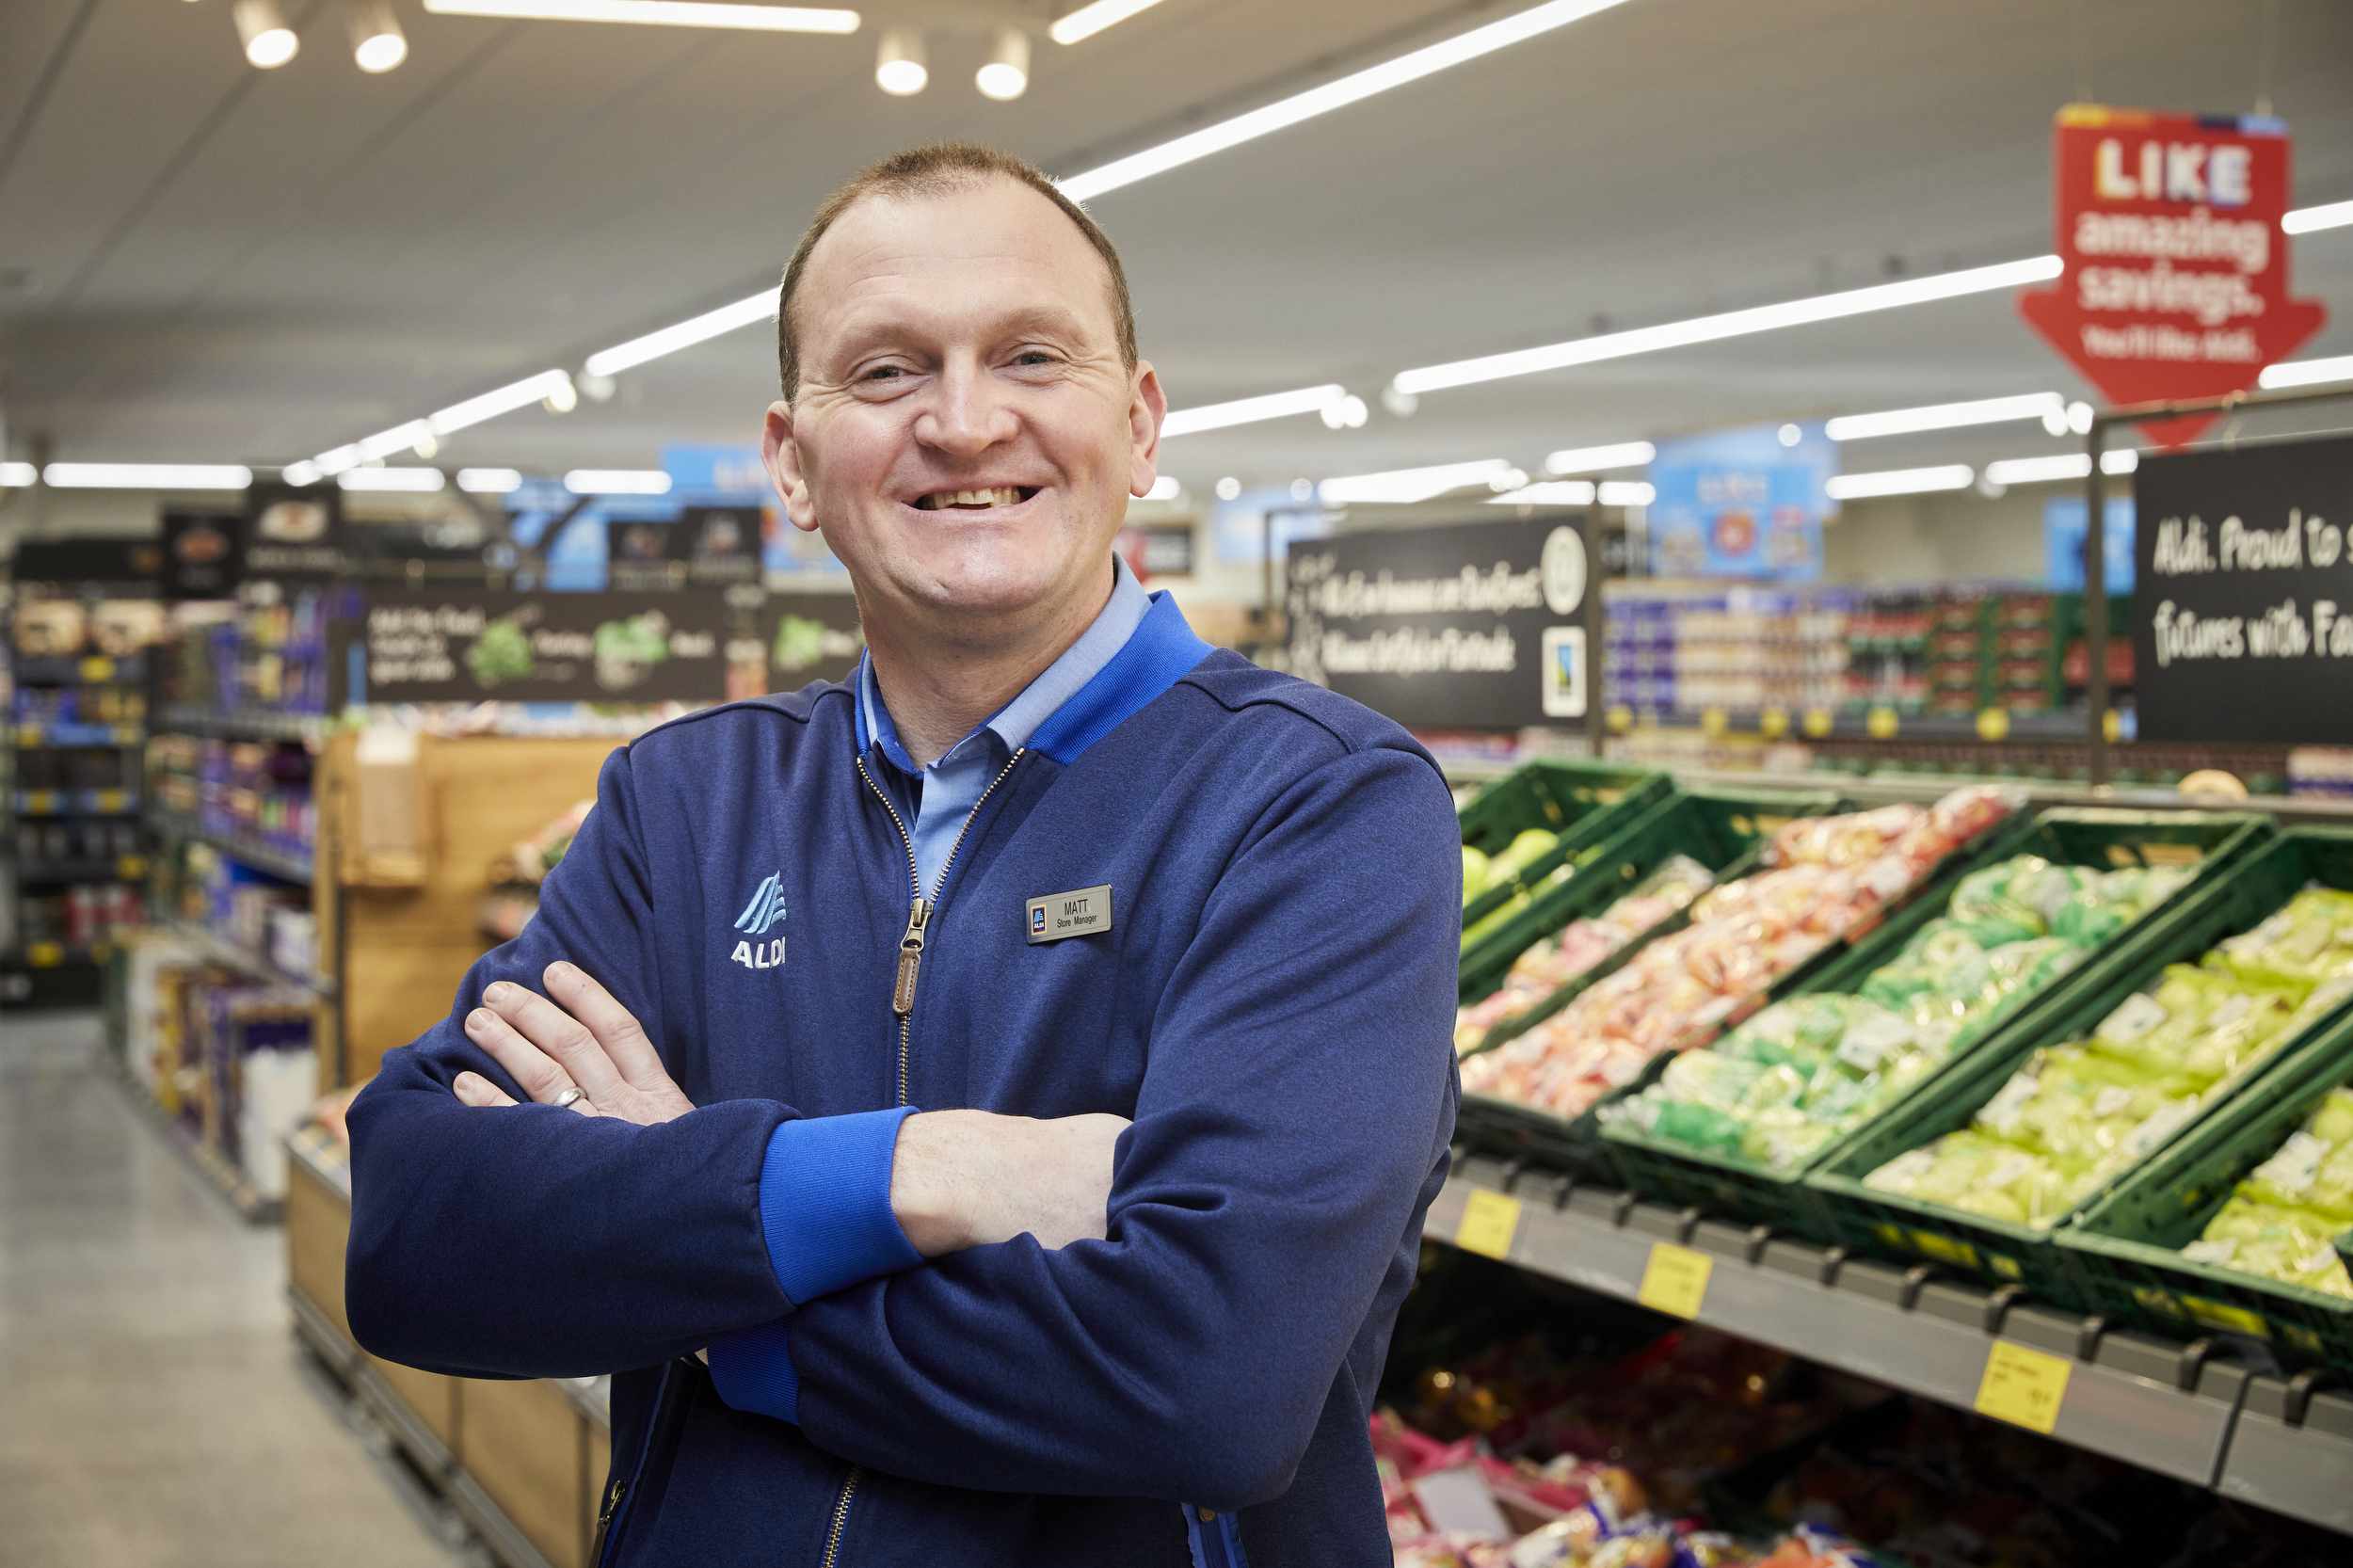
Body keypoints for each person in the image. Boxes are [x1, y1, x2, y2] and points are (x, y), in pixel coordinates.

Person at [344, 142, 1461, 1568]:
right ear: (792, 463)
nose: (964, 418)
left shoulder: (1318, 807)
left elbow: (1209, 1379)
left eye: (1032, 355)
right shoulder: (685, 806)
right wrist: (926, 1171)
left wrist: (700, 1275)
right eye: (884, 372)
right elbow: (417, 1231)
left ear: (1140, 424)